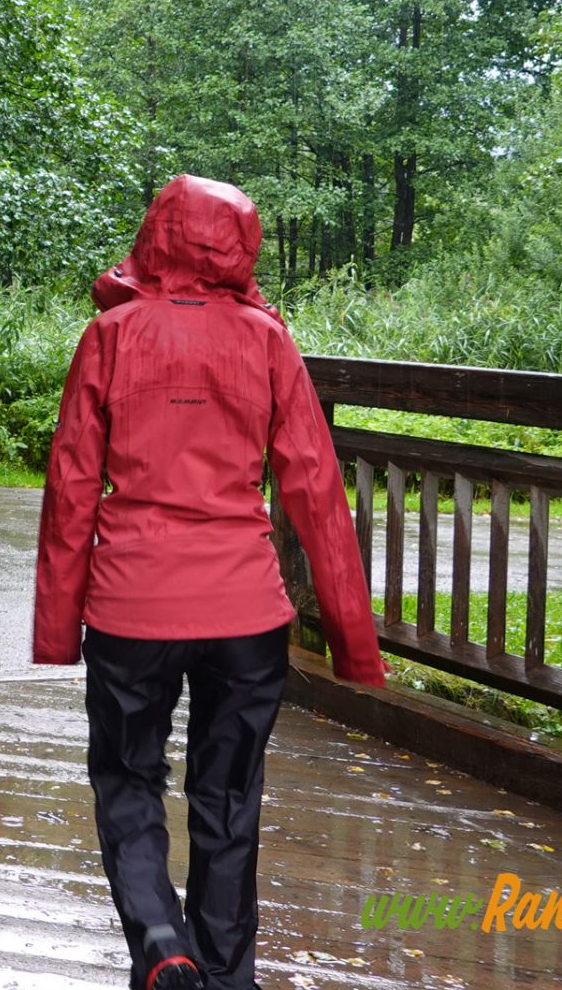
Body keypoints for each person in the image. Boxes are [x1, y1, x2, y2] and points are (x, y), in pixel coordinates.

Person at [31, 174, 386, 990]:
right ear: (241, 247)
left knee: (127, 779)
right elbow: (316, 493)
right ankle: (226, 976)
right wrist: (354, 644)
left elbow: (71, 488)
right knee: (228, 799)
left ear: (155, 235)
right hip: (245, 614)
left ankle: (162, 941)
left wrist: (57, 627)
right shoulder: (268, 342)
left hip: (132, 607)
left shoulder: (109, 336)